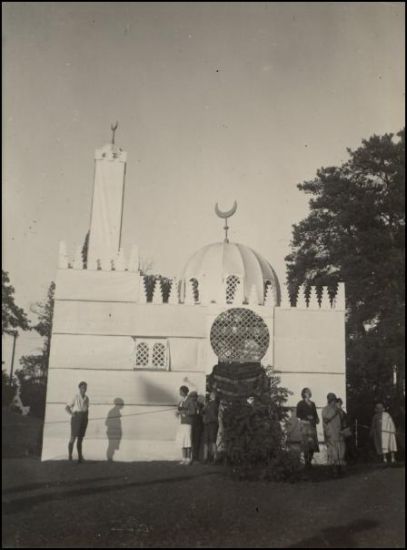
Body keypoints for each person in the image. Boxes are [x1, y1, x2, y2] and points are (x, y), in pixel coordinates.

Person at [322, 392, 346, 477]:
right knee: (333, 452)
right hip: (331, 433)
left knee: (341, 451)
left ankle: (340, 469)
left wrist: (340, 411)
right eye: (332, 400)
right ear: (329, 400)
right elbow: (326, 420)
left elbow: (343, 419)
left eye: (334, 400)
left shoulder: (338, 409)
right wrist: (335, 411)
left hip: (339, 433)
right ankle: (334, 471)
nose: (333, 402)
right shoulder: (325, 409)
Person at [65, 381, 89, 463]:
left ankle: (80, 458)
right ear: (79, 388)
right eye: (82, 388)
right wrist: (72, 414)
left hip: (84, 419)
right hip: (76, 419)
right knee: (73, 437)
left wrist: (85, 417)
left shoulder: (87, 398)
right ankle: (70, 456)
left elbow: (86, 409)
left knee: (80, 438)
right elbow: (67, 407)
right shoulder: (75, 397)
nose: (84, 389)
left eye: (85, 388)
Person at [296, 388, 320, 467]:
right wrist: (304, 422)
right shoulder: (300, 403)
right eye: (306, 392)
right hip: (305, 427)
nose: (308, 393)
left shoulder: (312, 404)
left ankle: (310, 461)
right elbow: (298, 417)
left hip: (312, 426)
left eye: (309, 392)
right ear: (303, 394)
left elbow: (316, 415)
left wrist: (316, 419)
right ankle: (306, 462)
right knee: (306, 445)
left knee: (312, 445)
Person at [175, 385, 194, 465]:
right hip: (181, 423)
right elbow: (179, 410)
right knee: (182, 441)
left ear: (184, 392)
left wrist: (184, 413)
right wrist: (178, 413)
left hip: (187, 423)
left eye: (180, 391)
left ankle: (188, 458)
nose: (179, 392)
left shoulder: (190, 401)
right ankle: (184, 458)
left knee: (187, 441)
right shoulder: (181, 401)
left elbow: (192, 411)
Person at [202, 391, 219, 464]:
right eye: (211, 395)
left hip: (212, 423)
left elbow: (211, 413)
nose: (211, 396)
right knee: (206, 441)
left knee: (212, 441)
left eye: (213, 395)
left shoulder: (215, 404)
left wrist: (206, 406)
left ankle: (214, 458)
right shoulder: (208, 403)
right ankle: (206, 458)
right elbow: (203, 411)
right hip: (207, 423)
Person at [189, 391, 204, 462]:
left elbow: (202, 413)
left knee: (197, 441)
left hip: (198, 424)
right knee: (191, 441)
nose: (193, 398)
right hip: (192, 424)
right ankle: (192, 457)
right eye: (192, 397)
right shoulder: (189, 404)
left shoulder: (200, 405)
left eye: (194, 397)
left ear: (196, 397)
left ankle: (196, 457)